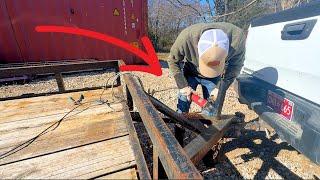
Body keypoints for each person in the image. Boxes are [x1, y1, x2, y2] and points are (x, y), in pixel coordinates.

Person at [168, 22, 246, 114]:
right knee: (183, 103)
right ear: (198, 48)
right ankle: (180, 123)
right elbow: (172, 60)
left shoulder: (237, 39)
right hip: (191, 72)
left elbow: (235, 66)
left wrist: (220, 88)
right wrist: (183, 85)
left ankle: (209, 126)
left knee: (212, 110)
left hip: (215, 77)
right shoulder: (186, 38)